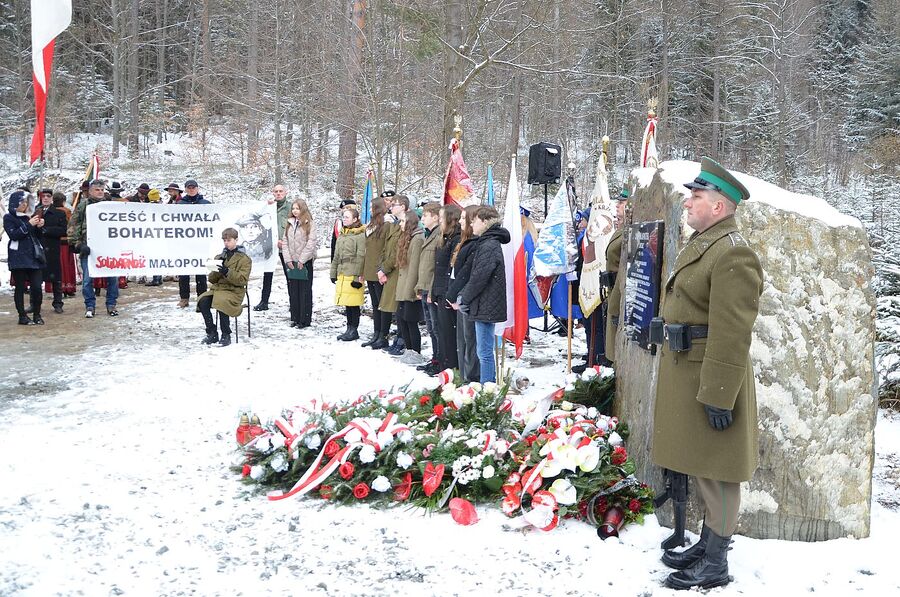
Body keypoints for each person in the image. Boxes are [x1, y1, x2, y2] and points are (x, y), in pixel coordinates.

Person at [653, 158, 763, 591]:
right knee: (702, 465)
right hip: (690, 373)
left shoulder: (733, 251)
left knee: (719, 472)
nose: (688, 202)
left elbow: (733, 332)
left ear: (719, 207)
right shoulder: (705, 243)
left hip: (712, 377)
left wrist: (719, 394)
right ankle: (708, 542)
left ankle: (716, 562)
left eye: (696, 197)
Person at [451, 206, 509, 384]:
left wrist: (464, 297)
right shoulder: (486, 242)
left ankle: (487, 388)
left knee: (484, 352)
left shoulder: (489, 244)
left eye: (474, 221)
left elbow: (479, 277)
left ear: (484, 222)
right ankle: (487, 385)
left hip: (486, 302)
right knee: (482, 350)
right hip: (484, 302)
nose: (471, 224)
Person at [68, 179, 120, 318]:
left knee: (112, 279)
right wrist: (78, 244)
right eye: (97, 190)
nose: (100, 192)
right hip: (88, 248)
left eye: (102, 190)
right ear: (90, 191)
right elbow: (73, 225)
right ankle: (90, 305)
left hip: (108, 247)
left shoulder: (110, 205)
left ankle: (111, 304)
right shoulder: (83, 206)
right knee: (87, 280)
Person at [197, 227, 252, 347]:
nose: (226, 243)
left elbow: (242, 280)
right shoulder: (220, 257)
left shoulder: (244, 259)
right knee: (203, 300)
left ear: (236, 240)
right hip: (219, 289)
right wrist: (217, 269)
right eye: (224, 241)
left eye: (229, 240)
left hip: (234, 291)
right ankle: (212, 332)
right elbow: (211, 279)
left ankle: (226, 334)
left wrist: (227, 272)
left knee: (222, 302)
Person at [447, 205, 481, 382]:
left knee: (470, 341)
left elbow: (467, 274)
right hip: (458, 297)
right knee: (462, 341)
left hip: (467, 298)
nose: (460, 221)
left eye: (463, 218)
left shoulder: (475, 244)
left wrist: (456, 296)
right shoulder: (465, 241)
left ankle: (471, 379)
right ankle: (463, 377)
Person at [360, 197, 397, 349]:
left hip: (380, 270)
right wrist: (362, 270)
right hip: (370, 269)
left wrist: (383, 269)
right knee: (375, 304)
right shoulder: (371, 226)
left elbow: (387, 249)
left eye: (372, 207)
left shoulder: (387, 224)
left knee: (383, 304)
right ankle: (376, 333)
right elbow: (367, 251)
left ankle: (383, 335)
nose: (370, 210)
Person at [428, 204, 461, 374]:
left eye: (441, 218)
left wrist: (448, 294)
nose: (440, 221)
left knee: (449, 333)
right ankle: (443, 364)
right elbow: (438, 268)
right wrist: (434, 291)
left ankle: (450, 367)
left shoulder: (456, 238)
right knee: (441, 330)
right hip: (440, 290)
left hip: (448, 292)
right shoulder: (446, 237)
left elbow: (451, 270)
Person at [4, 190, 45, 325]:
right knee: (20, 288)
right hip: (18, 257)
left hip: (33, 256)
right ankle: (22, 316)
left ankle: (37, 314)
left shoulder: (30, 217)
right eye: (22, 202)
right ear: (15, 203)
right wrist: (29, 225)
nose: (25, 205)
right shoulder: (8, 218)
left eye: (27, 202)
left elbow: (37, 236)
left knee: (37, 287)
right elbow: (14, 235)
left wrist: (39, 227)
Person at [330, 206, 366, 341]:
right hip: (342, 272)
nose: (344, 219)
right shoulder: (343, 234)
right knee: (347, 303)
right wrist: (333, 272)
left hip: (353, 273)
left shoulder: (360, 235)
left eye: (347, 217)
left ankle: (354, 329)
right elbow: (336, 255)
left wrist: (357, 276)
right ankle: (349, 328)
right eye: (343, 217)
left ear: (355, 219)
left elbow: (361, 256)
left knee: (353, 303)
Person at [394, 210, 425, 365]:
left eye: (403, 221)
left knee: (410, 320)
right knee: (401, 320)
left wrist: (410, 289)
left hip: (410, 287)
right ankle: (408, 349)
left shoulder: (418, 239)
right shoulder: (406, 238)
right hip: (402, 284)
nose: (400, 224)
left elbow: (414, 267)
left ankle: (416, 351)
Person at [254, 184, 292, 311]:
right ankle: (264, 301)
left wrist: (286, 241)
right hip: (270, 246)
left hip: (285, 246)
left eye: (281, 191)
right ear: (273, 193)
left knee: (290, 275)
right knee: (268, 273)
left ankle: (294, 302)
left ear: (285, 192)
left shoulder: (291, 207)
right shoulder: (268, 206)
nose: (278, 193)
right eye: (276, 191)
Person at [415, 202, 443, 372]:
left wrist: (431, 290)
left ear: (435, 217)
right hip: (425, 287)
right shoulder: (429, 234)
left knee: (436, 328)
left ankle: (440, 361)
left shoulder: (439, 235)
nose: (422, 218)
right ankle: (435, 359)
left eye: (425, 215)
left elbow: (436, 267)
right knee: (431, 328)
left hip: (432, 289)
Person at [281, 199, 317, 328]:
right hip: (292, 262)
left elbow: (311, 243)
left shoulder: (310, 223)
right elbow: (285, 242)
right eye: (293, 209)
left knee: (305, 291)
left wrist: (302, 259)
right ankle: (295, 317)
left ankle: (304, 319)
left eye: (297, 208)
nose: (295, 211)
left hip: (304, 262)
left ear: (303, 209)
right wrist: (288, 259)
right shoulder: (290, 223)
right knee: (294, 290)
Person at [602, 189, 628, 364]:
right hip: (613, 289)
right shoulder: (622, 228)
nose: (617, 205)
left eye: (622, 202)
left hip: (621, 292)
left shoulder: (631, 230)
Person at [379, 194, 407, 355]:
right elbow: (387, 247)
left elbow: (398, 251)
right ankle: (398, 337)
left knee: (399, 308)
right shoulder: (394, 224)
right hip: (389, 271)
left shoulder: (406, 224)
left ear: (403, 206)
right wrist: (381, 268)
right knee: (393, 307)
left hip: (397, 271)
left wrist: (385, 269)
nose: (391, 206)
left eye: (394, 204)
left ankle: (402, 339)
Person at [176, 179, 210, 308]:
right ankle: (184, 298)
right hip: (184, 245)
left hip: (201, 244)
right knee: (183, 273)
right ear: (185, 189)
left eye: (193, 187)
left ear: (197, 188)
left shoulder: (206, 204)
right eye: (189, 188)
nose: (191, 189)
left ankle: (202, 299)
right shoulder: (179, 205)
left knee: (201, 273)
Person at [36, 189, 67, 313]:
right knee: (36, 279)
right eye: (43, 196)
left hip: (53, 248)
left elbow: (63, 230)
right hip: (38, 248)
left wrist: (46, 229)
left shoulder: (59, 214)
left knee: (56, 278)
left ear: (52, 198)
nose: (45, 198)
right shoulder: (35, 212)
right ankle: (35, 303)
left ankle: (58, 303)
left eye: (48, 196)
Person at [53, 192, 77, 297]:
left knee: (58, 265)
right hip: (66, 241)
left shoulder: (50, 212)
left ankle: (58, 287)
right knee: (67, 264)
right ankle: (68, 287)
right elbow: (71, 226)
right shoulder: (67, 212)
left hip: (54, 242)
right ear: (63, 201)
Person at [330, 198, 357, 262]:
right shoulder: (339, 223)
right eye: (343, 208)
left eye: (347, 208)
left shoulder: (358, 223)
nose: (344, 210)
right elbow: (334, 244)